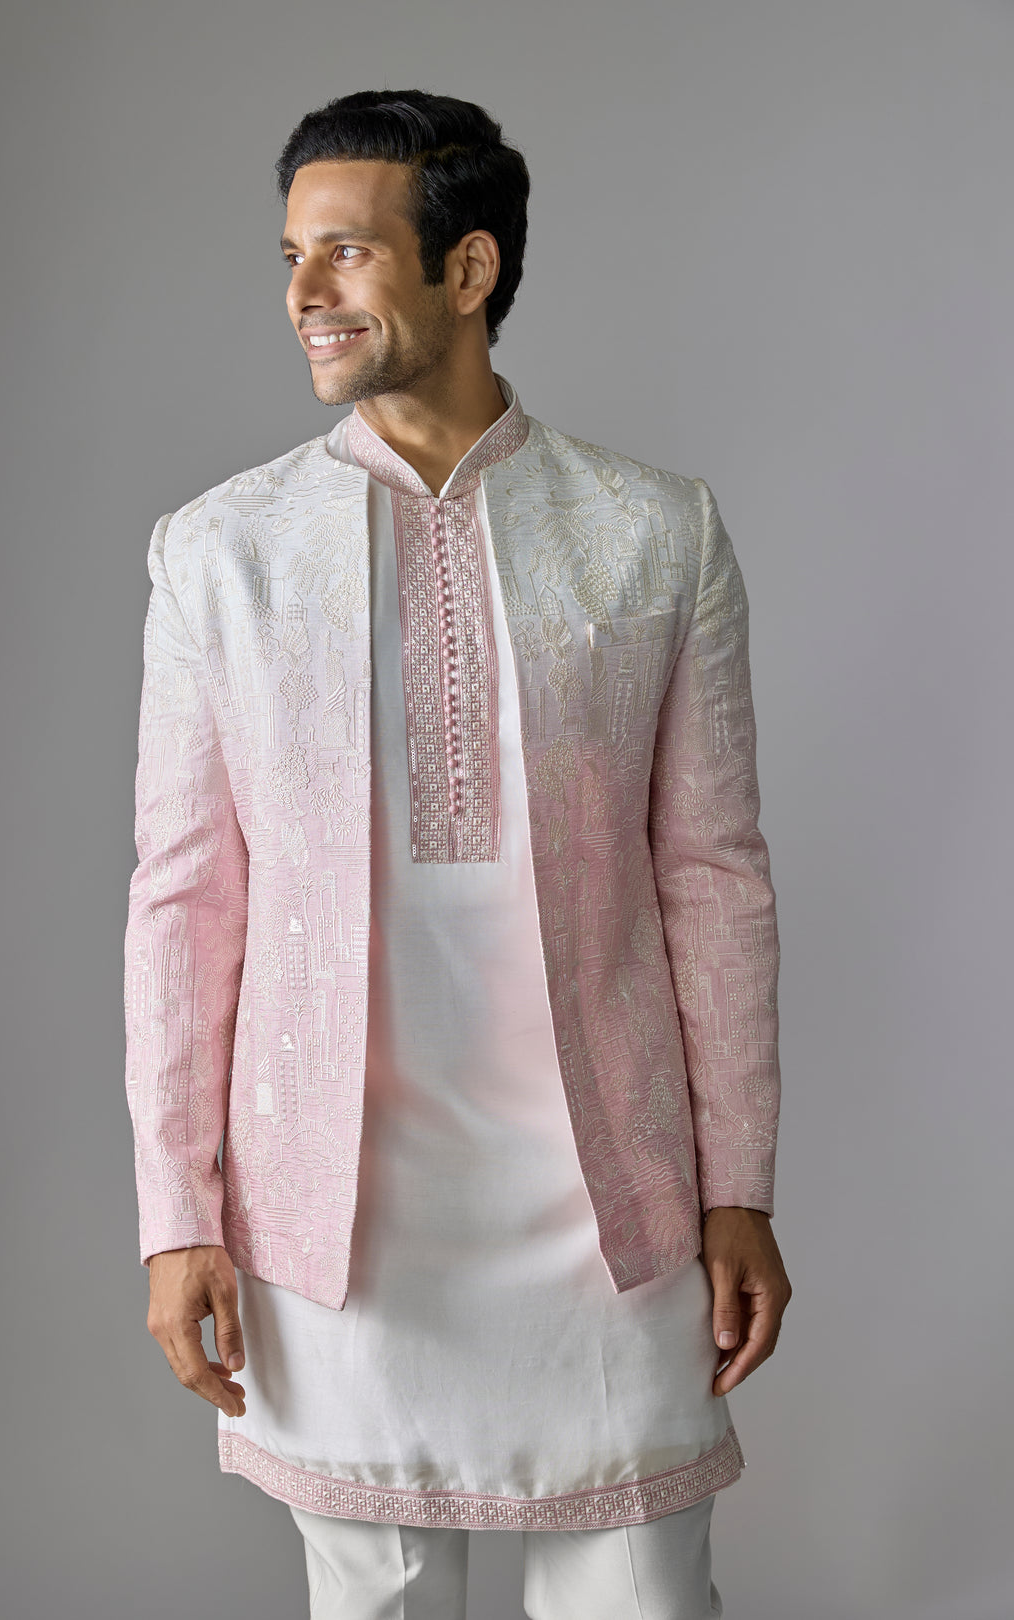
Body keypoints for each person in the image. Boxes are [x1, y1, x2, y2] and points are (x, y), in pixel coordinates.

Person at [124, 88, 791, 1620]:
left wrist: (740, 1184)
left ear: (469, 267)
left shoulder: (653, 532)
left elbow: (715, 880)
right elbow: (182, 908)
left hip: (609, 1210)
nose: (302, 292)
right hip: (339, 1221)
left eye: (346, 252)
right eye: (292, 256)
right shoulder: (219, 554)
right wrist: (180, 1216)